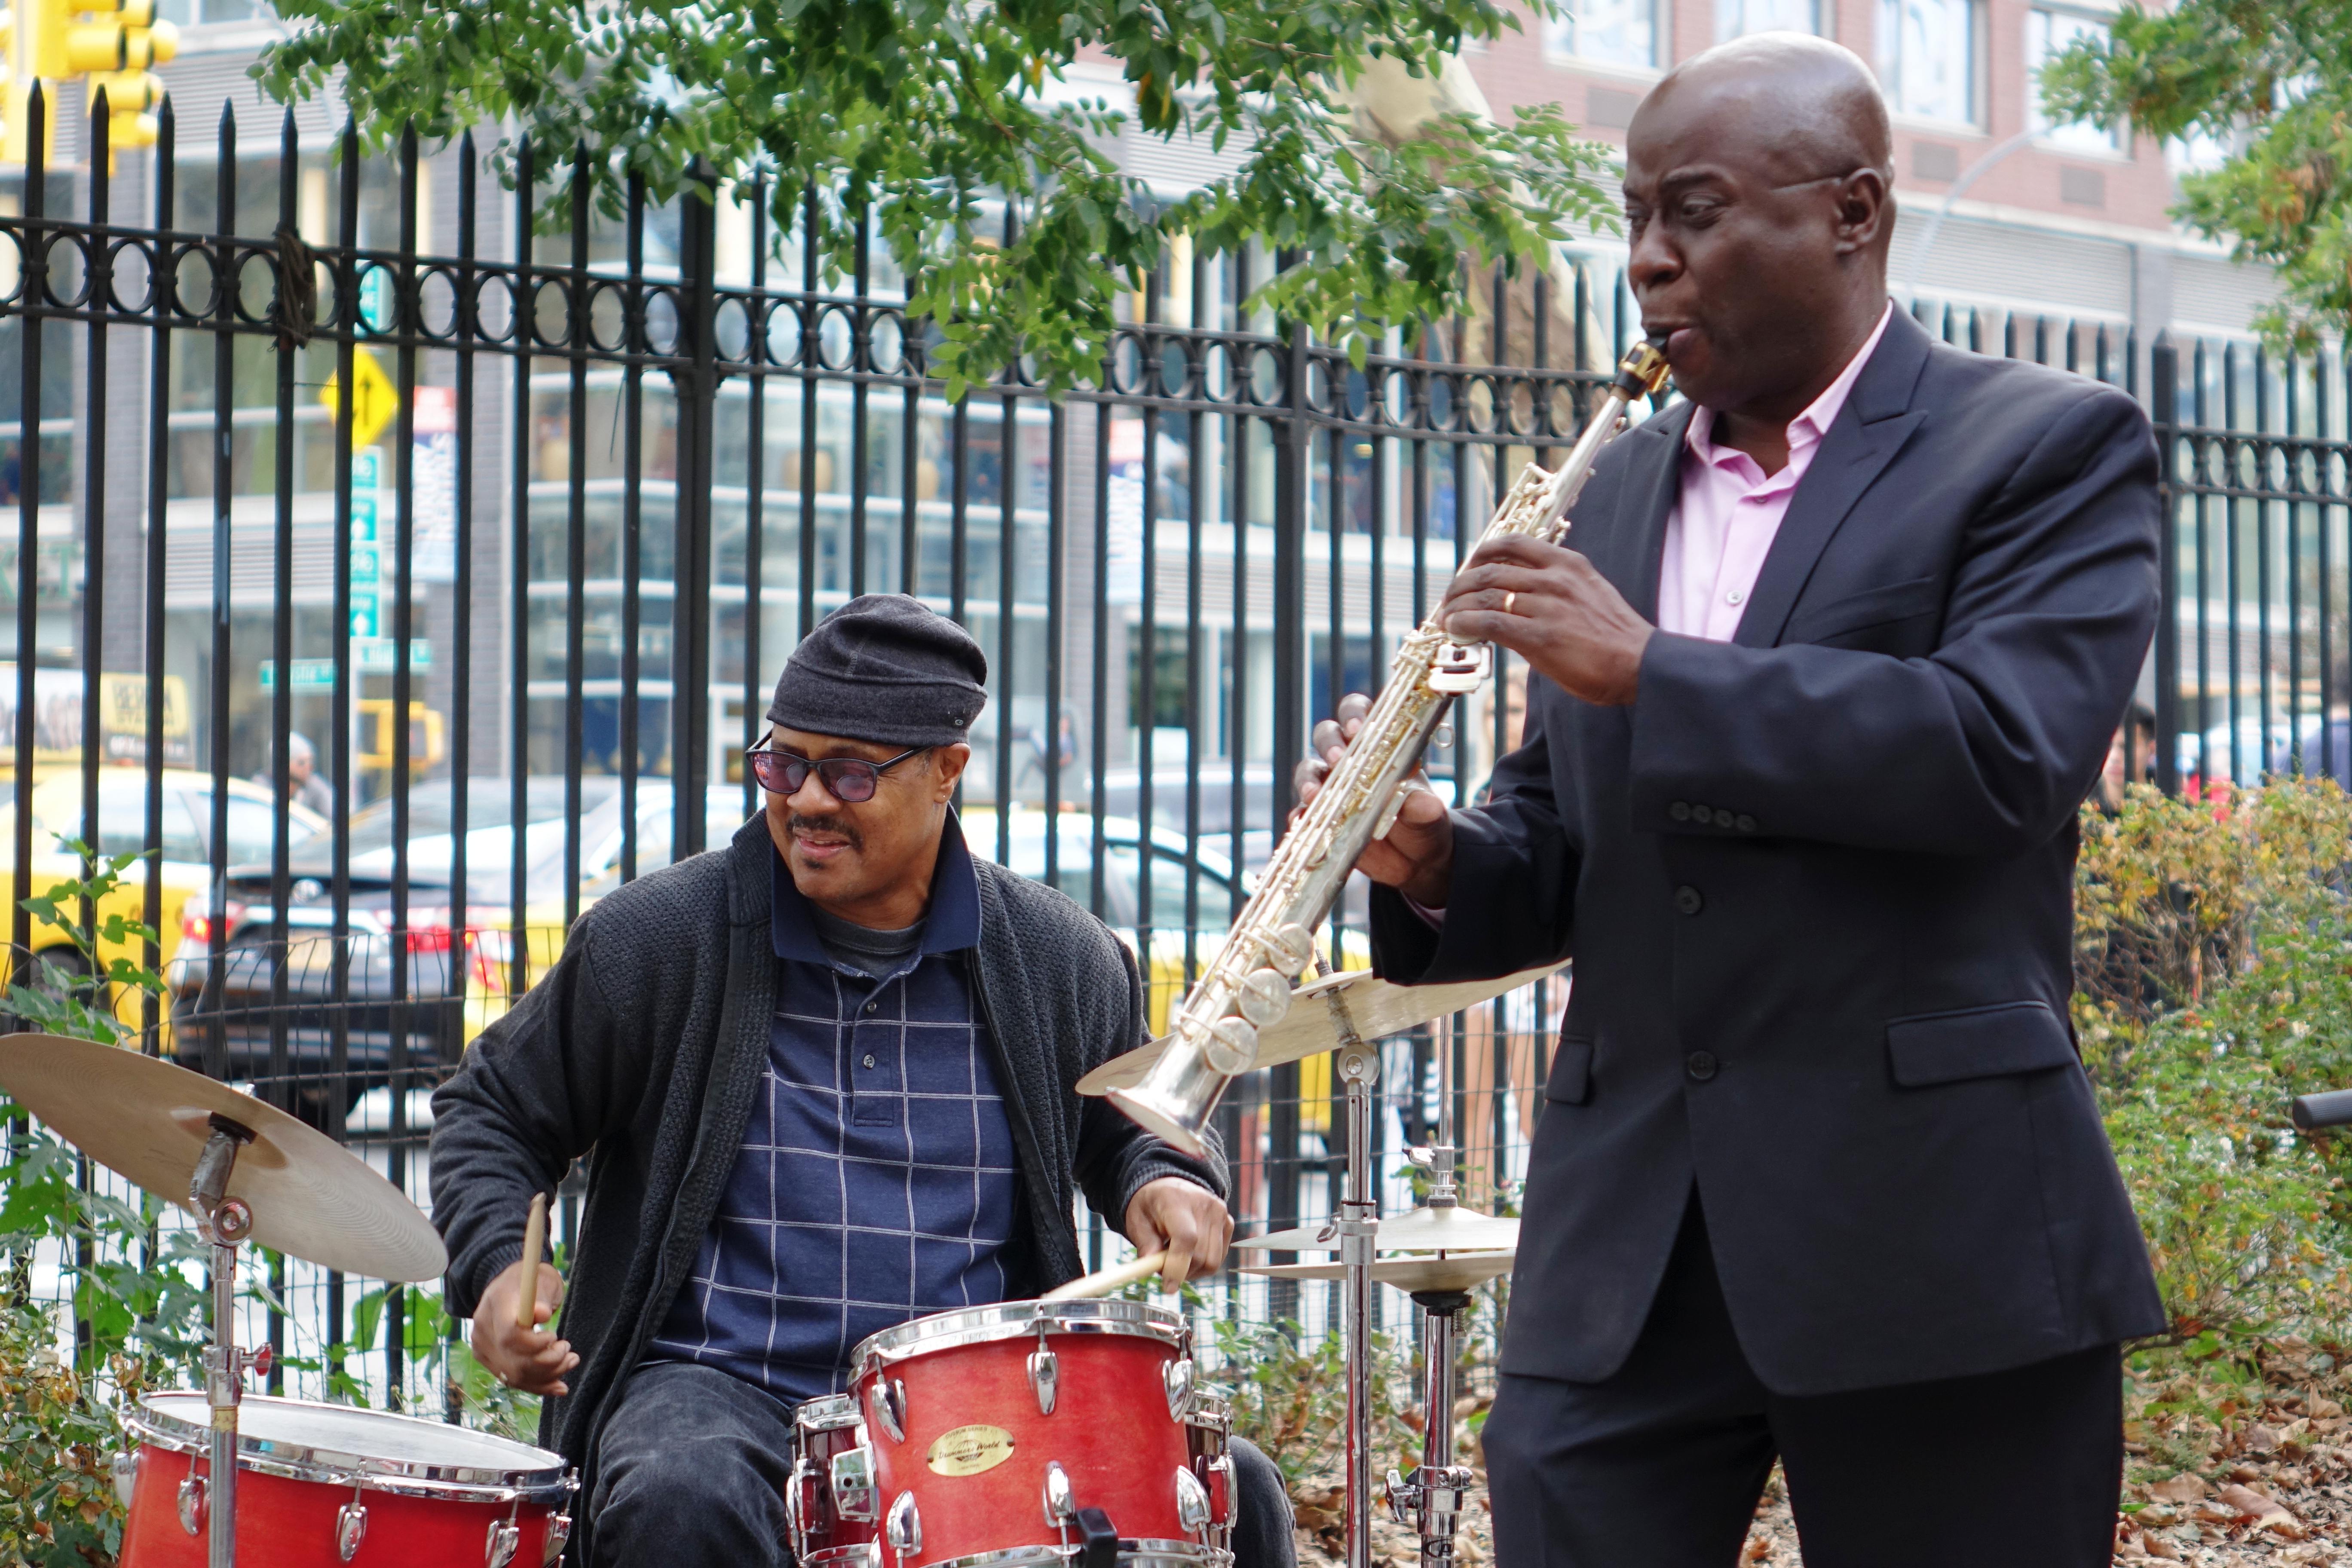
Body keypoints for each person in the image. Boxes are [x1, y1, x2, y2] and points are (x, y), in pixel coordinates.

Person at [1296, 35, 2163, 1568]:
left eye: (1690, 212)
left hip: (1927, 1234)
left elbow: (1999, 752)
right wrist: (1430, 857)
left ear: (1850, 210)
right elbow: (1562, 844)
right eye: (1633, 216)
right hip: (1622, 1246)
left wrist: (1652, 673)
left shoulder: (2043, 444)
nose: (1645, 261)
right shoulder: (1617, 488)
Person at [432, 595, 1296, 1568]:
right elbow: (491, 1110)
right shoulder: (661, 941)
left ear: (945, 772)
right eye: (782, 762)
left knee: (1240, 1493)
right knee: (681, 1492)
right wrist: (502, 1266)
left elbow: (1133, 1123)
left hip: (976, 1399)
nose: (804, 799)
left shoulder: (1060, 960)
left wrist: (1162, 1178)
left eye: (846, 771)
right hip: (719, 1386)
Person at [256, 731, 333, 816]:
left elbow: (334, 815)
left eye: (310, 762)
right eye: (302, 763)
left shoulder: (313, 784)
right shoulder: (261, 787)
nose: (309, 768)